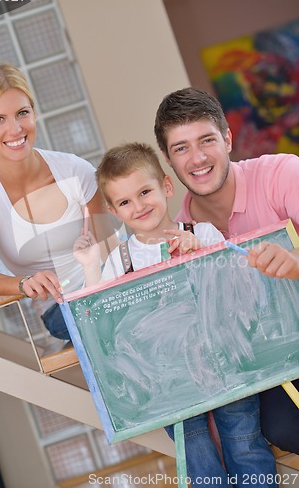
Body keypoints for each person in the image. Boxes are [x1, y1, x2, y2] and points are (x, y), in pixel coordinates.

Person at [74, 142, 278, 487]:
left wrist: (202, 254)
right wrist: (90, 267)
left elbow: (239, 283)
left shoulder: (202, 233)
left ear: (166, 187)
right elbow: (98, 316)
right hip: (167, 380)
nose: (138, 206)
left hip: (227, 362)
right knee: (196, 453)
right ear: (114, 210)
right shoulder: (119, 261)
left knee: (244, 441)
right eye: (125, 202)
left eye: (144, 192)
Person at [154, 86, 299, 456]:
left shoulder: (282, 175)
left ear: (228, 139)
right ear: (168, 161)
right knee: (281, 426)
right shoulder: (178, 239)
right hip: (271, 365)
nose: (197, 157)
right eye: (181, 147)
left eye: (206, 140)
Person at [0, 61, 114, 340]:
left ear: (34, 113)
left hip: (106, 292)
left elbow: (112, 253)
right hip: (59, 310)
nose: (15, 129)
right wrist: (24, 284)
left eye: (22, 113)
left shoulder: (74, 170)